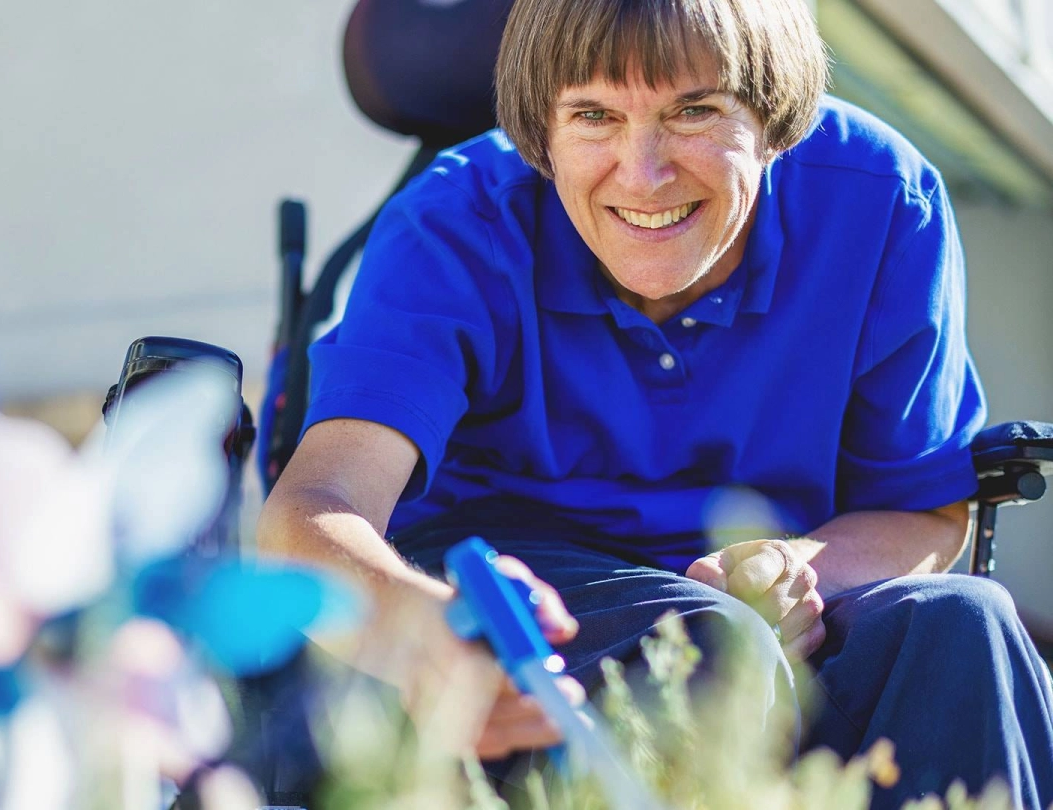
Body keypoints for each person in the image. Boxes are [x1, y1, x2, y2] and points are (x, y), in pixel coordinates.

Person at [255, 0, 1053, 807]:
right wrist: (424, 630)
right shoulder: (452, 226)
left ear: (779, 117)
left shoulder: (883, 200)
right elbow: (309, 513)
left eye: (694, 110)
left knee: (967, 624)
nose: (642, 174)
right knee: (705, 641)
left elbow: (922, 512)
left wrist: (796, 567)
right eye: (594, 115)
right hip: (523, 600)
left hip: (764, 596)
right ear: (541, 130)